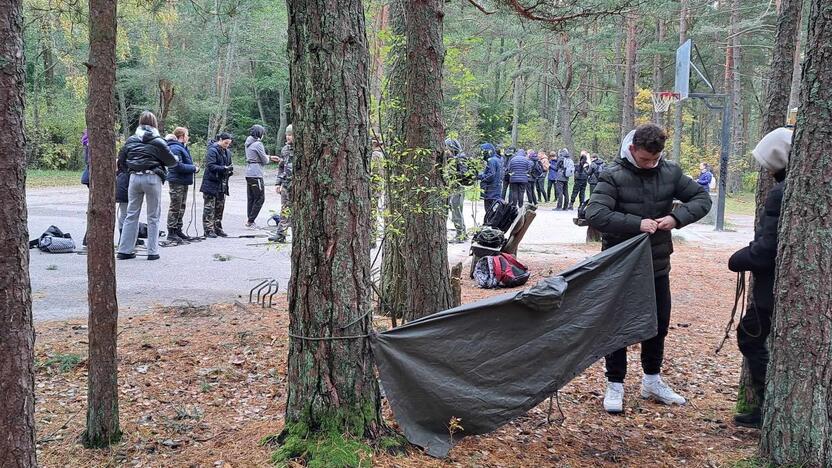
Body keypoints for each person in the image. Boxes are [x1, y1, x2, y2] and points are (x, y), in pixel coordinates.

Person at [586, 123, 712, 414]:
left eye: (654, 159)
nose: (649, 164)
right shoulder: (612, 175)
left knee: (658, 324)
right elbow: (595, 213)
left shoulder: (670, 172)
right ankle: (615, 383)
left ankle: (652, 381)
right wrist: (636, 223)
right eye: (644, 159)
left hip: (657, 265)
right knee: (617, 325)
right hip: (620, 266)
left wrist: (677, 218)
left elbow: (702, 199)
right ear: (632, 150)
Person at [728, 128, 792, 428]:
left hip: (774, 288)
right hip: (780, 286)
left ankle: (767, 410)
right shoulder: (791, 187)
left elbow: (767, 249)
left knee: (750, 336)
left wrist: (739, 259)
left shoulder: (782, 192)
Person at [116, 111, 178, 260]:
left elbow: (121, 162)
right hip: (152, 178)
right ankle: (152, 251)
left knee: (131, 214)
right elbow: (172, 162)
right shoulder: (158, 141)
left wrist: (131, 170)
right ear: (154, 124)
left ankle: (125, 250)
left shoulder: (131, 140)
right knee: (153, 216)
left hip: (134, 179)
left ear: (139, 123)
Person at [166, 127, 199, 242]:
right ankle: (171, 231)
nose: (188, 137)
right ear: (182, 136)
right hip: (176, 181)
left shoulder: (182, 148)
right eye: (187, 135)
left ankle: (178, 230)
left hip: (183, 180)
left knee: (181, 206)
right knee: (175, 206)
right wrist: (193, 168)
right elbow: (177, 165)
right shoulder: (175, 148)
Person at [200, 132, 234, 238]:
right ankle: (208, 229)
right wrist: (223, 169)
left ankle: (217, 227)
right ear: (220, 140)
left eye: (228, 143)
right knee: (209, 207)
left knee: (220, 207)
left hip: (222, 184)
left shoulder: (227, 152)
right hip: (211, 183)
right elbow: (210, 166)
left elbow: (229, 164)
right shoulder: (212, 150)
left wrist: (229, 171)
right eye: (225, 143)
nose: (227, 145)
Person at [244, 124, 276, 228]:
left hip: (248, 172)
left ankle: (250, 220)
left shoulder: (248, 142)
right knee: (260, 198)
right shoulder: (258, 144)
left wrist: (270, 156)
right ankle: (250, 220)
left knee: (251, 198)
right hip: (256, 173)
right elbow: (265, 160)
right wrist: (269, 158)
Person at [270, 124, 294, 243]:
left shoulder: (303, 148)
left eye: (290, 135)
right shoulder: (285, 149)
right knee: (285, 209)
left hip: (298, 185)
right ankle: (281, 234)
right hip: (286, 184)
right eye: (287, 135)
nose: (288, 137)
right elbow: (281, 167)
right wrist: (278, 183)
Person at [446, 138, 468, 243]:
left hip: (457, 188)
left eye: (448, 148)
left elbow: (463, 174)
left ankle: (460, 234)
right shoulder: (454, 158)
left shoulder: (460, 158)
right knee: (456, 210)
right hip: (453, 188)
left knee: (456, 211)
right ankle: (462, 233)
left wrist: (452, 173)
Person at [477, 143, 503, 221]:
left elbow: (491, 175)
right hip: (495, 190)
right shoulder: (498, 159)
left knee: (489, 213)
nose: (482, 154)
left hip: (491, 192)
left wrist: (479, 176)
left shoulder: (492, 160)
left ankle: (489, 228)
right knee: (493, 213)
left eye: (483, 152)